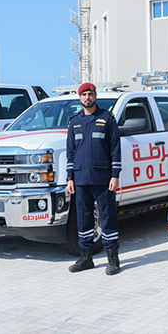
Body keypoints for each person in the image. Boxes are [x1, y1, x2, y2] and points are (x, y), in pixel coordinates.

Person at [66, 82, 122, 275]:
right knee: (83, 219)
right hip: (80, 179)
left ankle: (113, 259)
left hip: (103, 179)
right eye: (84, 95)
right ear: (79, 98)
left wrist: (115, 175)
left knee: (108, 218)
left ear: (95, 96)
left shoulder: (107, 119)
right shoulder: (74, 122)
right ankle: (86, 258)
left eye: (90, 94)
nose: (87, 98)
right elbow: (70, 152)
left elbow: (115, 149)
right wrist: (70, 178)